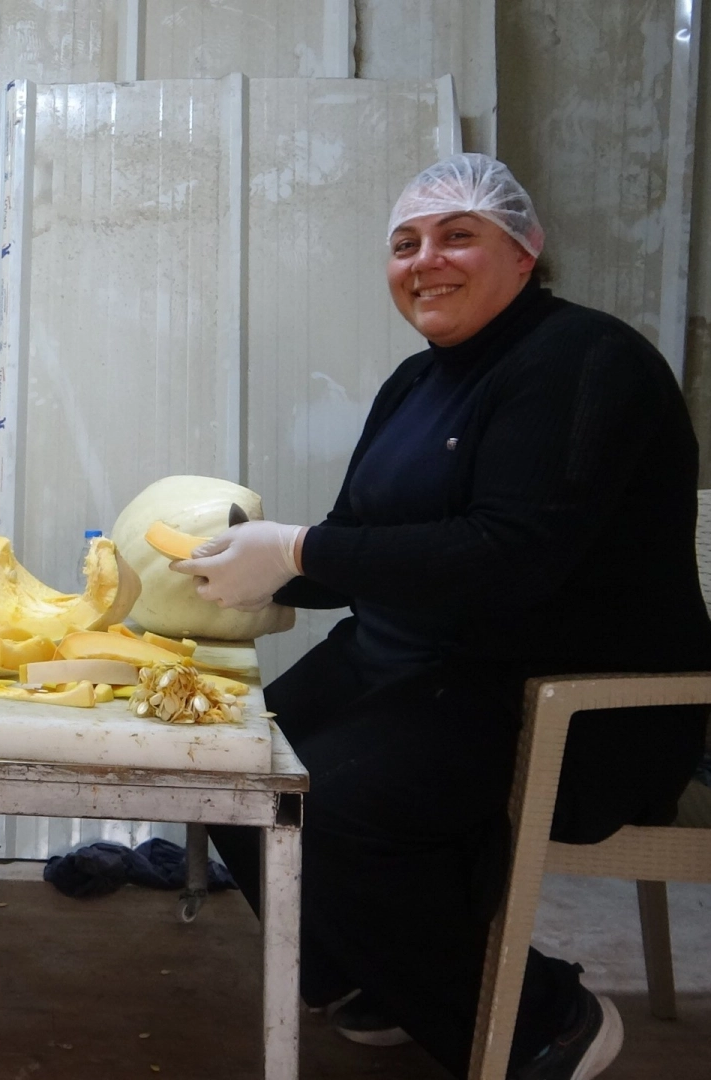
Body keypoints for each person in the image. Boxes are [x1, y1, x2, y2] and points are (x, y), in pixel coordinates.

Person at [172, 154, 710, 1080]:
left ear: (525, 251)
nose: (426, 261)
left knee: (332, 807)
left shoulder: (589, 362)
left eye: (458, 236)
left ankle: (543, 1022)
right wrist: (237, 573)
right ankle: (375, 977)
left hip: (560, 696)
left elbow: (512, 557)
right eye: (405, 244)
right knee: (224, 767)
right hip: (416, 668)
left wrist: (296, 551)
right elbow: (353, 543)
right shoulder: (414, 385)